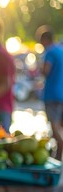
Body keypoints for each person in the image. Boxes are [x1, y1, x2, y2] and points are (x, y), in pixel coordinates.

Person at [35, 25, 63, 160]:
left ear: (45, 40)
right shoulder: (61, 50)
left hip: (52, 94)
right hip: (61, 94)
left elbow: (45, 71)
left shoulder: (50, 53)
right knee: (59, 125)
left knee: (55, 126)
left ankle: (58, 153)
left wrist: (39, 68)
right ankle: (57, 154)